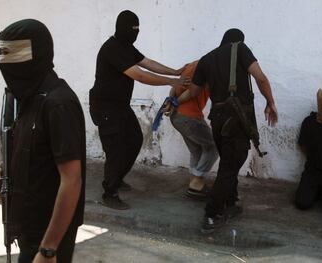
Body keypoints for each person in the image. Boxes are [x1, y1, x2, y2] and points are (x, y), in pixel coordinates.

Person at [0, 19, 86, 262]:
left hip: (49, 234)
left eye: (12, 55)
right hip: (27, 224)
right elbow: (28, 148)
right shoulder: (25, 97)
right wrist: (3, 168)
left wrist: (49, 249)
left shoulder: (58, 104)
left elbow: (71, 181)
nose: (5, 66)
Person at [177, 28, 278, 233]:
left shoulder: (206, 59)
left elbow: (194, 91)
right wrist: (271, 102)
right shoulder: (240, 48)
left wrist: (174, 101)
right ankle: (212, 214)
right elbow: (260, 78)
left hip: (218, 119)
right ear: (238, 41)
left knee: (228, 162)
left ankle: (230, 203)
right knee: (231, 165)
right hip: (236, 119)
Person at [89, 10, 188, 210]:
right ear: (122, 28)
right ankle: (110, 192)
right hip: (106, 107)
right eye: (133, 29)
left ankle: (117, 179)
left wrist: (175, 71)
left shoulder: (126, 46)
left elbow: (147, 63)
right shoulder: (112, 48)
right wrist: (172, 81)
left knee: (134, 140)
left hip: (120, 106)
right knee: (115, 150)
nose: (136, 32)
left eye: (138, 29)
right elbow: (140, 75)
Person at [167, 61, 219, 199]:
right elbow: (192, 92)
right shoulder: (209, 66)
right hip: (189, 116)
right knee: (213, 147)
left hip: (177, 116)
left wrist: (171, 100)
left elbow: (177, 84)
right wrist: (175, 101)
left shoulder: (190, 65)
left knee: (197, 148)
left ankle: (195, 184)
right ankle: (197, 182)